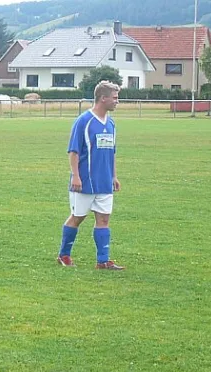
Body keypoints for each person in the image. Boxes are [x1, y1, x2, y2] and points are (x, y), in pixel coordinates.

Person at [57, 80, 125, 271]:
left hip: (104, 182)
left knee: (103, 219)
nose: (117, 101)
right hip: (85, 181)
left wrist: (114, 176)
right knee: (77, 217)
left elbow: (111, 152)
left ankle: (102, 261)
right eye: (114, 98)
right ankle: (64, 255)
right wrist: (76, 176)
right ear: (103, 98)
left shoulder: (111, 123)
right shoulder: (83, 121)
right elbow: (73, 152)